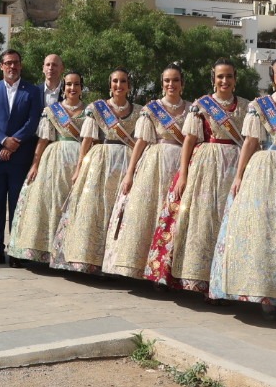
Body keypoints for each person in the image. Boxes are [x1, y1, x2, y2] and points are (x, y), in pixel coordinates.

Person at [210, 56, 276, 316]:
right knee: (266, 232)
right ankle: (266, 295)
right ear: (272, 77)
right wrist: (239, 175)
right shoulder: (259, 106)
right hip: (265, 170)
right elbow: (250, 142)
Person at [145, 58, 249, 292]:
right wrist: (183, 174)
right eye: (220, 76)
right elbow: (189, 141)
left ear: (235, 79)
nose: (224, 80)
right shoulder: (201, 106)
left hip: (235, 166)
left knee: (227, 219)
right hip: (205, 166)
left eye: (229, 76)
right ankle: (194, 277)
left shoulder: (246, 106)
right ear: (213, 79)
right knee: (200, 219)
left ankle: (222, 282)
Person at [103, 65, 190, 279]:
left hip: (181, 165)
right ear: (162, 84)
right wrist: (130, 173)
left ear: (182, 83)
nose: (171, 84)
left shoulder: (192, 109)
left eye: (175, 80)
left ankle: (166, 270)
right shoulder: (152, 109)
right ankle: (144, 267)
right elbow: (141, 142)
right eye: (167, 80)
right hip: (155, 165)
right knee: (148, 213)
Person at [51, 68, 141, 275]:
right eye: (115, 81)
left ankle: (114, 263)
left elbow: (140, 141)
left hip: (127, 162)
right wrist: (79, 168)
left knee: (120, 211)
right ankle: (90, 260)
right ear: (110, 85)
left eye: (123, 81)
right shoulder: (98, 109)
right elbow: (87, 140)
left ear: (128, 86)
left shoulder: (139, 111)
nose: (119, 85)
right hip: (101, 162)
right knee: (95, 208)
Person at [6, 71, 88, 264]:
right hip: (55, 160)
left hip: (81, 160)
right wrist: (35, 164)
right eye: (69, 84)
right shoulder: (53, 111)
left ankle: (70, 253)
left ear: (81, 88)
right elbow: (43, 140)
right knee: (52, 202)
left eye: (76, 84)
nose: (72, 88)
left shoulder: (90, 111)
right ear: (64, 88)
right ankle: (47, 251)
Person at [0, 50, 45, 266]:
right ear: (1, 66)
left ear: (21, 65)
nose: (12, 67)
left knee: (17, 205)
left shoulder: (32, 91)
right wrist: (3, 141)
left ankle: (16, 250)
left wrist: (14, 142)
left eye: (15, 63)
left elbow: (33, 121)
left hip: (20, 158)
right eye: (8, 63)